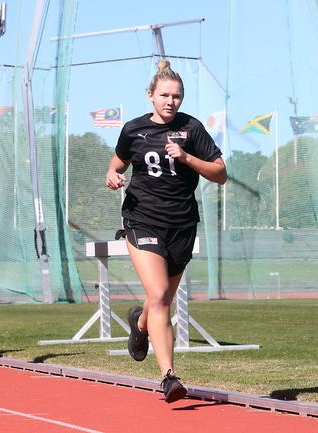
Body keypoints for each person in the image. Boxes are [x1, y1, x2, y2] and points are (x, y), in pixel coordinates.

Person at [105, 60, 227, 403]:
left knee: (161, 300)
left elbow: (220, 173)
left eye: (176, 96)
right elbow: (116, 165)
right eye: (164, 95)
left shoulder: (193, 129)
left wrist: (187, 158)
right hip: (142, 219)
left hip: (182, 224)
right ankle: (168, 377)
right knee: (158, 293)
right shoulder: (133, 130)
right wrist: (113, 177)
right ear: (151, 96)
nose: (170, 101)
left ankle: (139, 323)